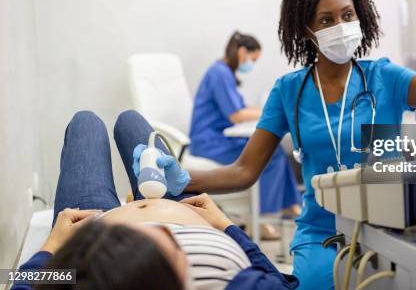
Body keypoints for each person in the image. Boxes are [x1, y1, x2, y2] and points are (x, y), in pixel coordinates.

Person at [151, 0, 416, 289]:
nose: (341, 27)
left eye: (348, 15)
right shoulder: (288, 91)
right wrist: (180, 178)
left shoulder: (385, 78)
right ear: (306, 30)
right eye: (326, 20)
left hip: (390, 225)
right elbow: (243, 171)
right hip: (323, 231)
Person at [12, 110, 298, 290]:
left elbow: (16, 282)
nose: (158, 231)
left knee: (85, 122)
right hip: (186, 212)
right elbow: (279, 281)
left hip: (88, 225)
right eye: (172, 251)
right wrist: (225, 225)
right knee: (130, 120)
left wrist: (52, 247)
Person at [189, 31, 301, 237]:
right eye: (253, 59)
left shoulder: (225, 73)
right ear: (242, 52)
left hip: (219, 137)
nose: (252, 65)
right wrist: (272, 110)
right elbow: (236, 115)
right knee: (269, 153)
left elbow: (240, 108)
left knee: (274, 149)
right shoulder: (219, 73)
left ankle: (290, 206)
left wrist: (263, 111)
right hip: (208, 141)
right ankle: (263, 218)